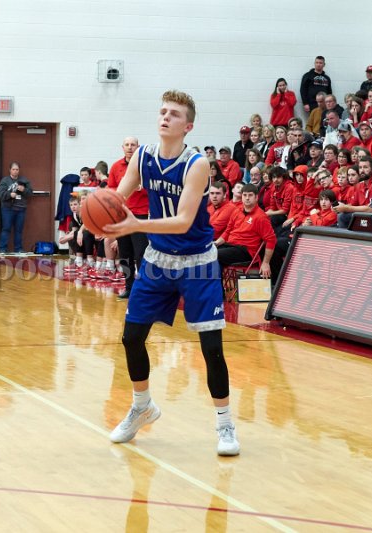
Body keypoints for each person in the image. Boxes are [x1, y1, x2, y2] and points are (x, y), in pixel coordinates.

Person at [103, 90, 240, 456]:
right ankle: (142, 406)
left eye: (174, 114)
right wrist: (97, 212)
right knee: (131, 338)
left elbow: (182, 222)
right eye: (163, 111)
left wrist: (135, 224)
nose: (165, 117)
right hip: (158, 260)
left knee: (211, 348)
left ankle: (225, 424)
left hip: (197, 262)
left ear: (188, 126)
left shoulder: (197, 164)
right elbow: (118, 197)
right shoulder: (143, 156)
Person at [108, 136, 148, 300]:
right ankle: (129, 287)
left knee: (140, 254)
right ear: (122, 147)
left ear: (138, 147)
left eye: (133, 145)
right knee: (125, 254)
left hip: (141, 215)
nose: (130, 147)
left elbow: (153, 189)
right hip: (122, 215)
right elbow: (111, 188)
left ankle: (144, 289)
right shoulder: (116, 166)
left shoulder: (145, 166)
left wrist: (141, 187)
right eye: (127, 145)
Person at [215, 183, 277, 279]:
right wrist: (216, 243)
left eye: (250, 195)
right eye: (245, 195)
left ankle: (216, 287)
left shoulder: (261, 217)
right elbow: (227, 231)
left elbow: (271, 240)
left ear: (256, 197)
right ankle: (217, 286)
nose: (247, 198)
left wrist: (265, 263)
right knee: (208, 252)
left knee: (214, 255)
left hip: (245, 251)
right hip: (230, 245)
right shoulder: (237, 211)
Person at [0, 161, 33, 256]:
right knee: (6, 228)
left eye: (17, 169)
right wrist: (10, 195)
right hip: (7, 209)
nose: (15, 171)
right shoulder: (5, 181)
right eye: (13, 169)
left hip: (21, 209)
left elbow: (30, 193)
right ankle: (2, 249)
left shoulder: (24, 180)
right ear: (10, 170)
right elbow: (0, 193)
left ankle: (19, 249)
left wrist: (24, 190)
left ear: (19, 170)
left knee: (19, 230)